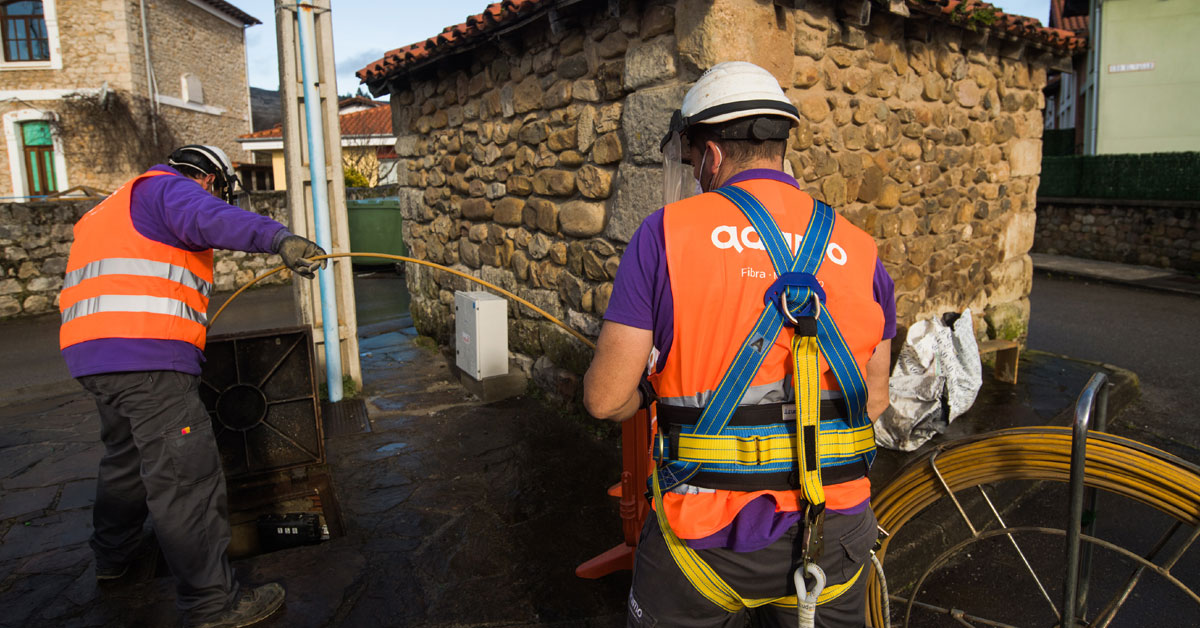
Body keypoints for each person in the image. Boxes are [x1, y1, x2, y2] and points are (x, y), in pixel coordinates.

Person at [583, 62, 897, 628]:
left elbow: (606, 399)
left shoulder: (665, 234)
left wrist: (651, 394)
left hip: (705, 542)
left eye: (693, 163)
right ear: (779, 144)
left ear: (710, 155)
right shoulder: (861, 248)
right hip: (835, 530)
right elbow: (873, 402)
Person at [59, 145, 326, 627]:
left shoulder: (110, 206)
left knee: (127, 459)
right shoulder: (170, 188)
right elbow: (209, 218)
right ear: (207, 178)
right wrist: (278, 237)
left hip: (92, 355)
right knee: (185, 477)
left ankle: (113, 559)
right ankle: (212, 605)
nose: (218, 196)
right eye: (220, 189)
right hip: (148, 356)